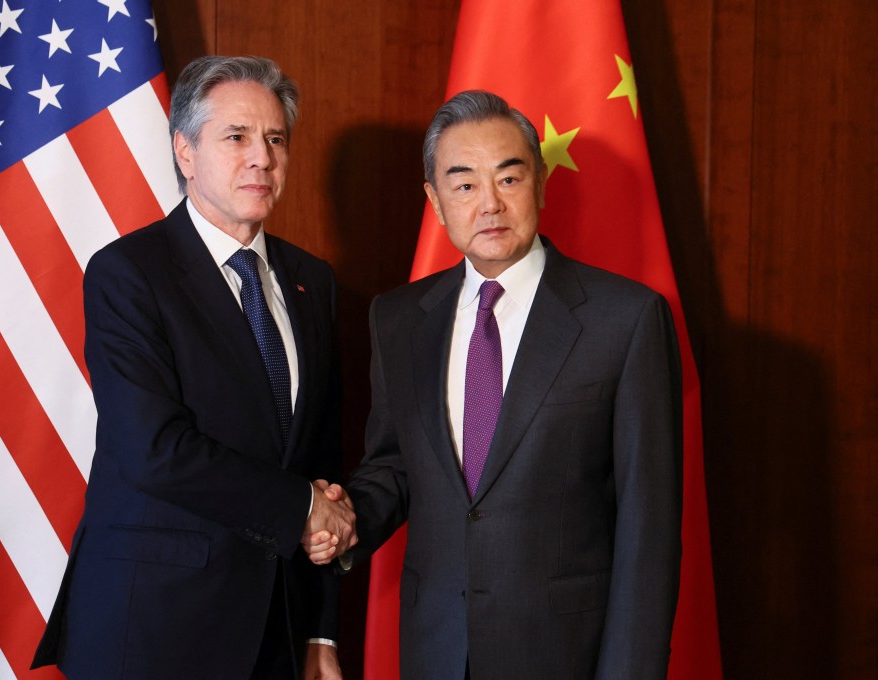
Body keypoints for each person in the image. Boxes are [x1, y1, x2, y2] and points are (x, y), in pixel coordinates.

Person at [307, 90, 682, 679]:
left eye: (509, 179)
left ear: (539, 182)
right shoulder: (399, 319)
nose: (489, 205)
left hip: (564, 654)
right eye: (464, 185)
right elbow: (396, 467)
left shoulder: (626, 320)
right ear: (435, 201)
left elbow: (649, 529)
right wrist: (343, 520)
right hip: (436, 651)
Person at [33, 55, 355, 680]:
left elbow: (324, 464)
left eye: (276, 138)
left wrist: (321, 630)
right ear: (185, 151)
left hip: (279, 632)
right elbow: (153, 449)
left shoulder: (313, 282)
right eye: (236, 137)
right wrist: (300, 509)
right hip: (156, 628)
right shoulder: (128, 273)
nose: (261, 157)